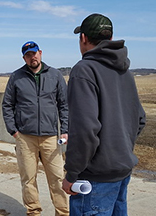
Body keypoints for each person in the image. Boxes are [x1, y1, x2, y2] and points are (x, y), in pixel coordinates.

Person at [62, 13, 146, 215]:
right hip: (122, 171)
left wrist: (71, 174)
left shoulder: (84, 70)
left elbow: (84, 131)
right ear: (109, 38)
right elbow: (140, 119)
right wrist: (118, 150)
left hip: (95, 179)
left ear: (83, 38)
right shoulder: (125, 71)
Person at [2, 41, 69, 216]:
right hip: (25, 137)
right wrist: (14, 131)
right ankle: (33, 212)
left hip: (50, 138)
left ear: (40, 53)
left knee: (57, 178)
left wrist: (65, 130)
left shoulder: (55, 75)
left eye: (34, 53)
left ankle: (62, 213)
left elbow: (64, 105)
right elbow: (7, 105)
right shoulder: (16, 77)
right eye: (28, 55)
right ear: (24, 57)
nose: (32, 57)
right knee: (28, 179)